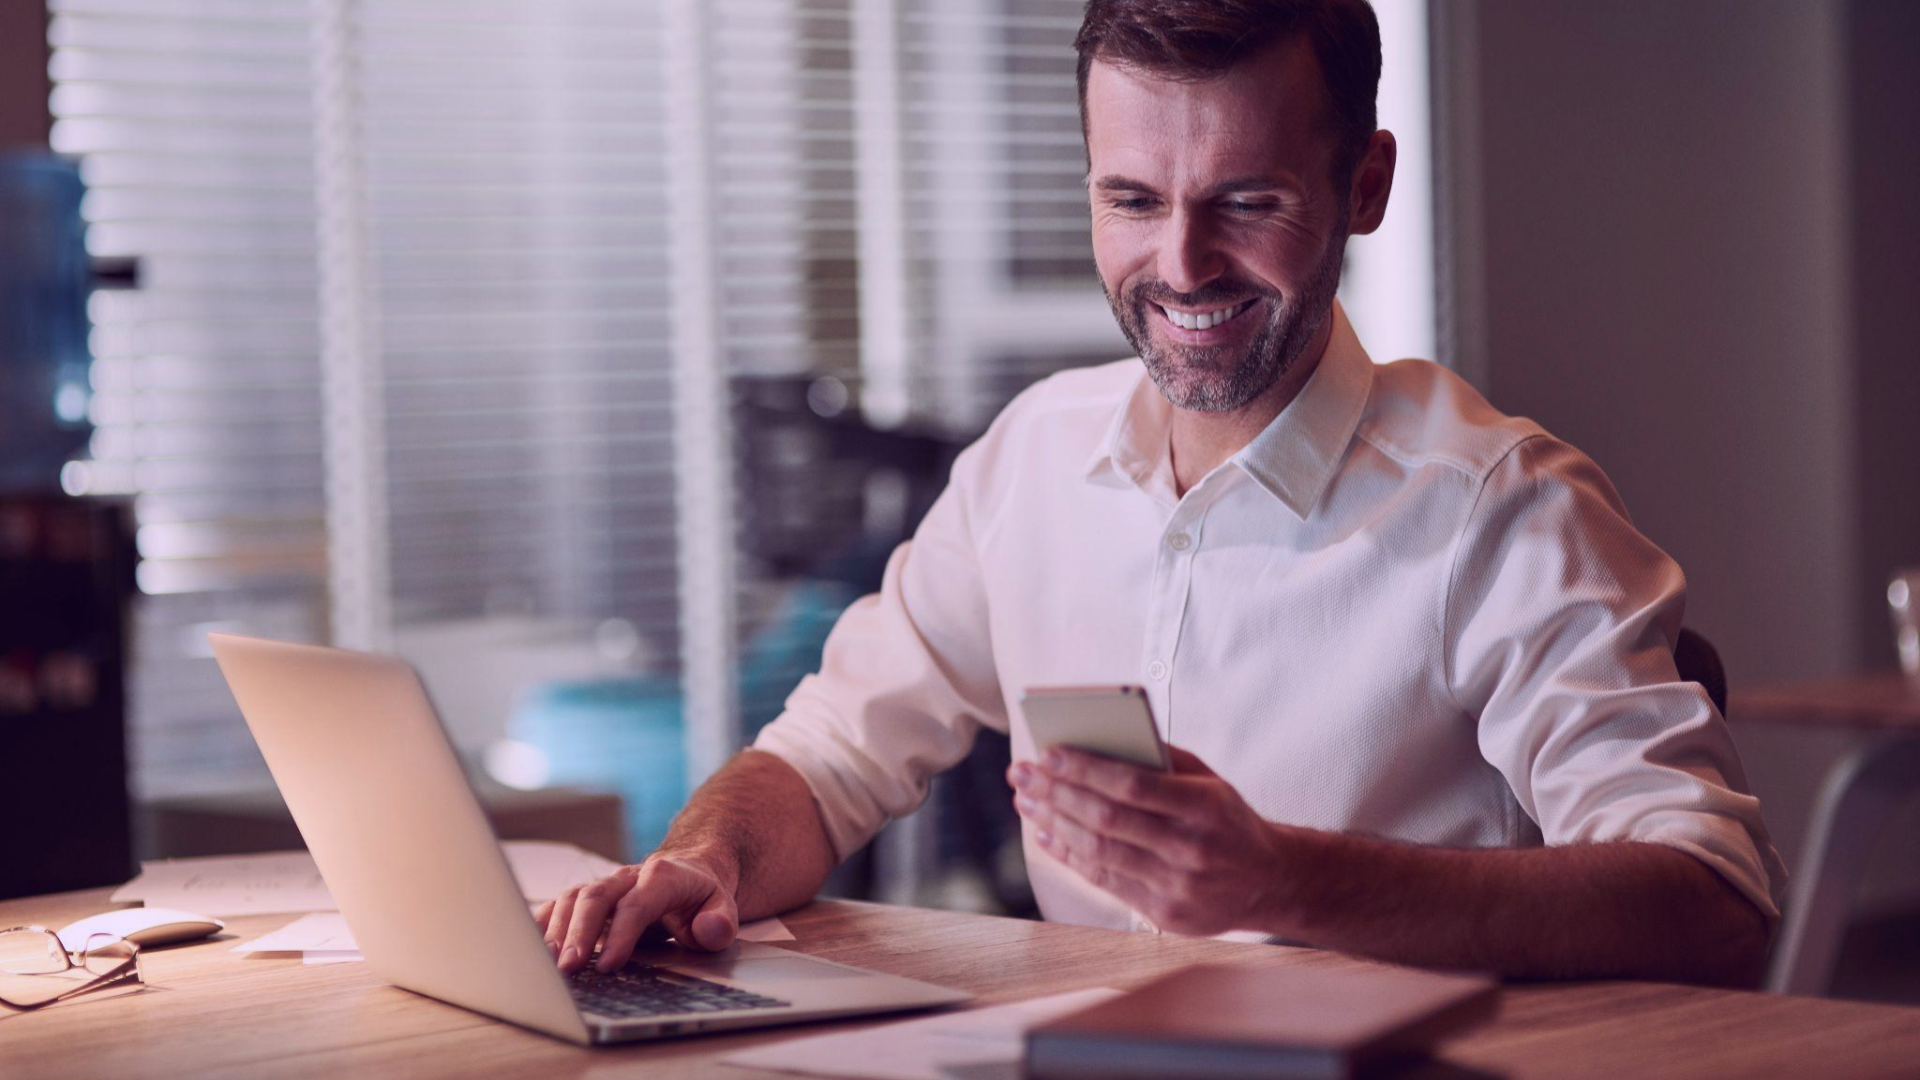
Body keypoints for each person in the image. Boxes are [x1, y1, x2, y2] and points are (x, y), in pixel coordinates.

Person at [539, 0, 1784, 986]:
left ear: (1363, 187)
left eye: (1248, 201)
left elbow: (1718, 903)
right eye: (1131, 200)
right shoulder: (1031, 459)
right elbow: (824, 759)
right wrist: (700, 863)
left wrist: (1287, 885)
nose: (1180, 264)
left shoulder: (1501, 508)